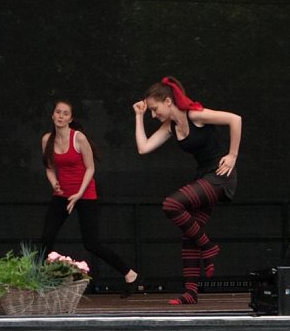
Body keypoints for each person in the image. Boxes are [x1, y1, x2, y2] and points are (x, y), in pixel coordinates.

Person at [132, 77, 241, 305]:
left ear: (168, 101)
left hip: (220, 176)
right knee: (189, 234)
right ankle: (191, 292)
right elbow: (143, 148)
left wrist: (232, 155)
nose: (153, 114)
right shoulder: (170, 126)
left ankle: (208, 246)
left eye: (154, 109)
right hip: (204, 177)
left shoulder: (195, 115)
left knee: (172, 204)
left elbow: (235, 119)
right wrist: (138, 116)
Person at [40, 100, 143, 298]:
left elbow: (90, 168)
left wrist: (79, 193)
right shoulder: (47, 140)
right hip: (62, 195)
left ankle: (131, 275)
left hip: (85, 194)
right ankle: (40, 283)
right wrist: (54, 183)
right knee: (46, 237)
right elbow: (49, 168)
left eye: (65, 113)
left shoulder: (78, 138)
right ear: (52, 115)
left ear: (70, 118)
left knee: (91, 243)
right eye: (58, 112)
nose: (61, 116)